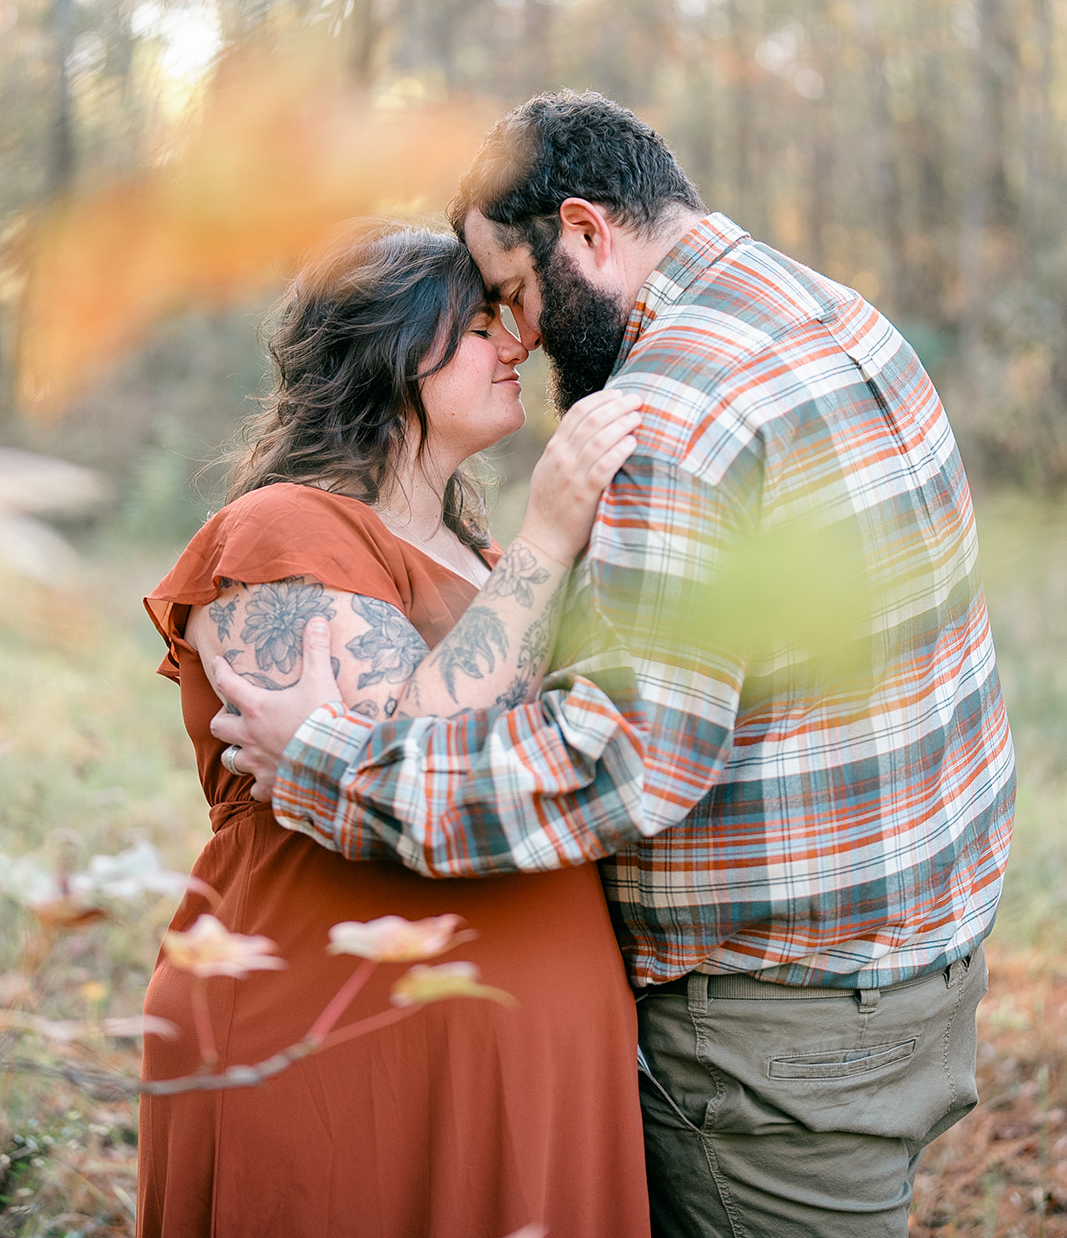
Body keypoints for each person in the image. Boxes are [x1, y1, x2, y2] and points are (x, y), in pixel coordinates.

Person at [213, 91, 1016, 1238]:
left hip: (777, 1037)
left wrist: (329, 763)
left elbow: (623, 761)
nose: (520, 335)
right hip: (914, 964)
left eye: (513, 294)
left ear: (585, 231)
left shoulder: (671, 417)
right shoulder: (827, 313)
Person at [138, 219, 650, 1238]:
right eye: (477, 327)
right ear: (390, 351)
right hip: (343, 1027)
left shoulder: (473, 548)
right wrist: (550, 537)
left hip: (517, 1039)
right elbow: (394, 775)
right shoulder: (283, 529)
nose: (515, 345)